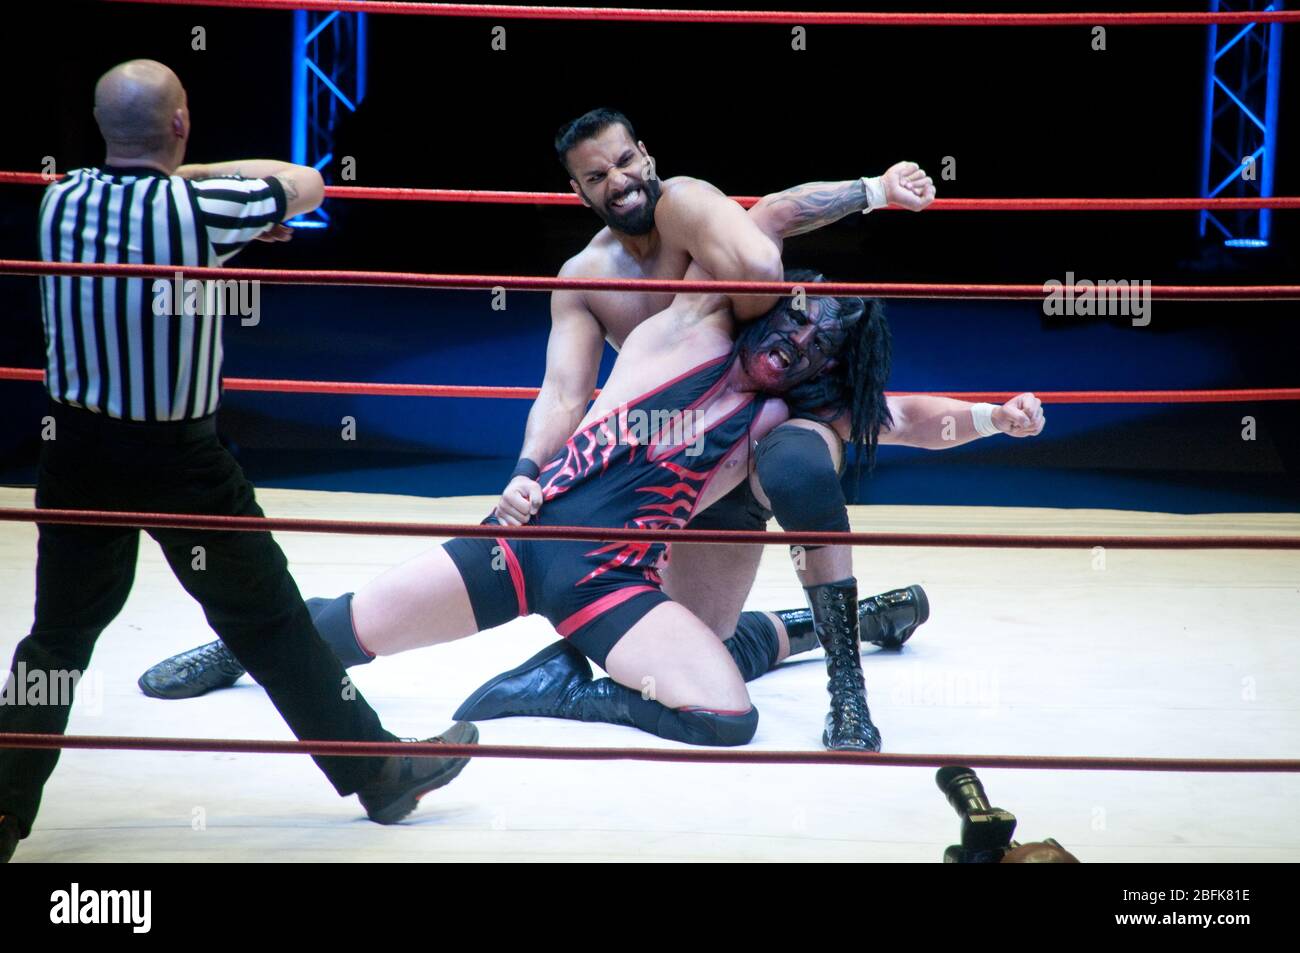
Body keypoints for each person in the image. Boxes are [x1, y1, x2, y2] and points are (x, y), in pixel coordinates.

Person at [137, 108, 944, 708]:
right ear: (578, 189)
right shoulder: (584, 276)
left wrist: (872, 190)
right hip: (638, 476)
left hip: (730, 462)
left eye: (627, 161)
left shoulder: (698, 227)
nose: (620, 181)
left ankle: (839, 645)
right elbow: (563, 392)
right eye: (599, 175)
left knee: (717, 648)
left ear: (646, 155)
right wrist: (525, 474)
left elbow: (772, 217)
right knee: (683, 651)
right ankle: (239, 646)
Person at [0, 60, 474, 865]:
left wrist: (205, 199)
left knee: (54, 643)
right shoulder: (198, 206)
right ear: (181, 126)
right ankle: (379, 769)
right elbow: (306, 182)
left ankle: (5, 814)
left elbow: (150, 184)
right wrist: (226, 201)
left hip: (76, 452)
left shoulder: (59, 199)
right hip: (178, 460)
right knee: (269, 620)